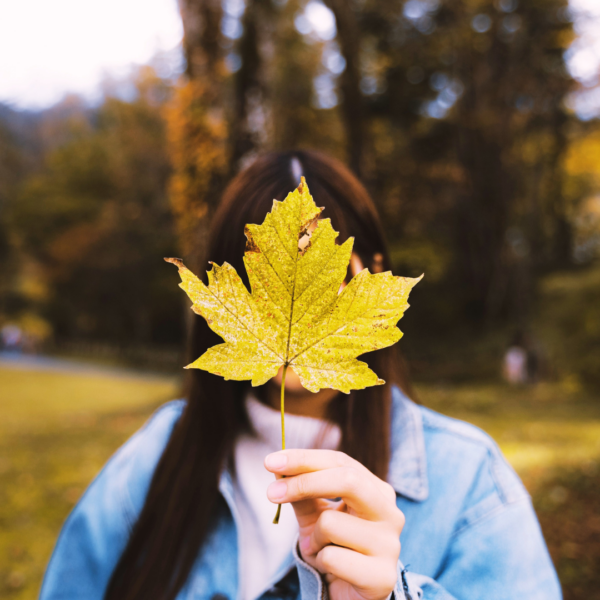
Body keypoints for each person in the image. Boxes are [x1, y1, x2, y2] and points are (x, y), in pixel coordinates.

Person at [40, 150, 561, 600]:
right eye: (254, 270)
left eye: (333, 272)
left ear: (375, 272)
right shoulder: (154, 461)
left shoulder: (469, 479)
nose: (299, 313)